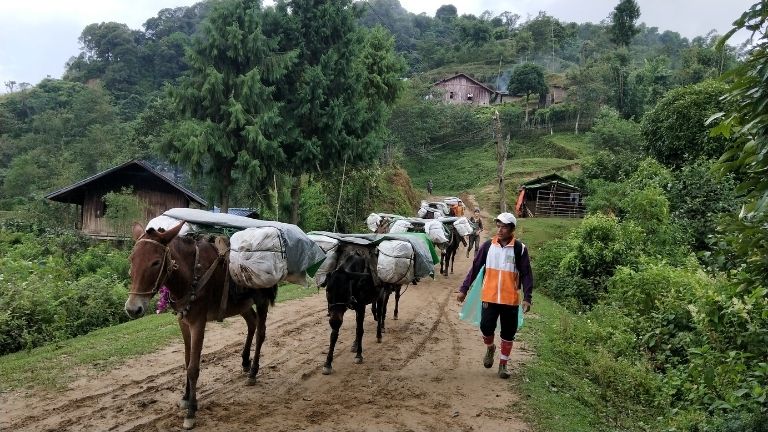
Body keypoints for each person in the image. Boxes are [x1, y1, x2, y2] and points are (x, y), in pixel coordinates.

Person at [457, 212, 533, 379]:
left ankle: (503, 364)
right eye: (498, 226)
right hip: (489, 296)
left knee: (508, 332)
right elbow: (475, 267)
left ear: (512, 229)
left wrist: (527, 298)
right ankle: (490, 347)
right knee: (486, 326)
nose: (500, 230)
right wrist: (464, 289)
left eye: (504, 227)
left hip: (510, 299)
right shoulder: (487, 246)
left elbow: (526, 274)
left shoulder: (520, 249)